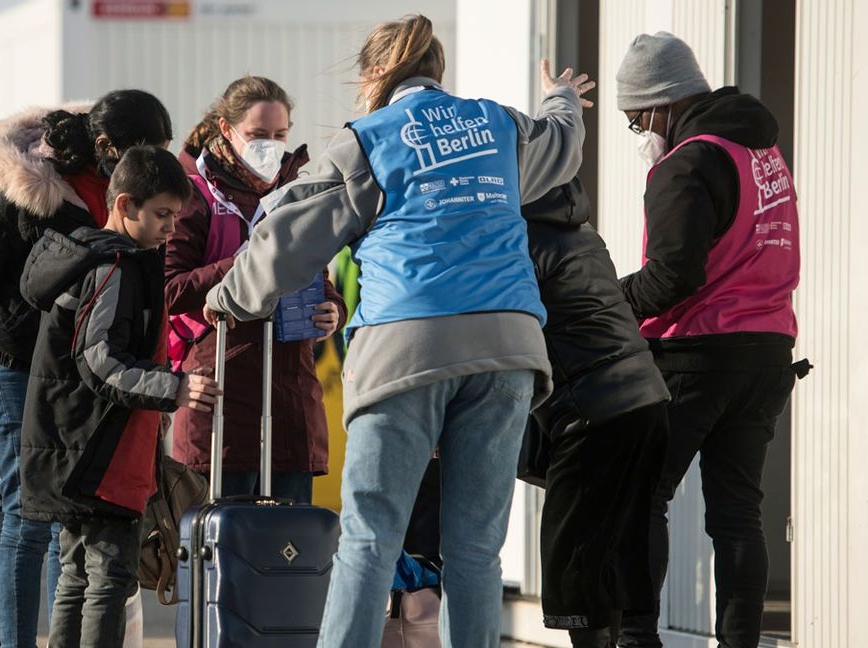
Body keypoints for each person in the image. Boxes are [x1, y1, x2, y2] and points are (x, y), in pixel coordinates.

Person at [201, 14, 593, 646]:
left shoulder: (370, 139)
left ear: (375, 75)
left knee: (369, 539)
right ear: (437, 72)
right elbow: (560, 142)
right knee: (474, 549)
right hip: (509, 348)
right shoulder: (496, 124)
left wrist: (232, 297)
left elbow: (292, 232)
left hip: (407, 344)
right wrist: (563, 98)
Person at [0, 90, 176, 648]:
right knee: (27, 517)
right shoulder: (29, 190)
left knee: (68, 520)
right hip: (17, 368)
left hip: (84, 385)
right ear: (104, 145)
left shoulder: (131, 199)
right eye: (144, 150)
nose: (151, 164)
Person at [613, 33, 806, 648]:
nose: (638, 130)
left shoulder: (687, 163)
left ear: (663, 104)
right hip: (768, 354)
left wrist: (604, 305)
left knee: (639, 498)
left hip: (697, 354)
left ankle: (638, 638)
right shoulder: (762, 150)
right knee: (737, 514)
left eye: (636, 117)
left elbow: (674, 276)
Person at [18, 146, 220, 648]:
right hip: (100, 453)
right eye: (163, 215)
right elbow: (100, 361)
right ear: (125, 204)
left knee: (75, 575)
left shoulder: (92, 256)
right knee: (108, 576)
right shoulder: (116, 266)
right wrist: (174, 387)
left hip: (71, 445)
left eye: (177, 216)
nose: (171, 228)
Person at [165, 76, 345, 504]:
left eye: (280, 135)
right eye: (257, 135)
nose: (271, 145)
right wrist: (248, 265)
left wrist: (332, 310)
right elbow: (169, 289)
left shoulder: (298, 193)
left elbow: (318, 277)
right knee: (223, 545)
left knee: (289, 548)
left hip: (290, 396)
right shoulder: (196, 193)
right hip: (221, 391)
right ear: (226, 130)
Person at [522, 178, 669, 648]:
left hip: (593, 409)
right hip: (645, 397)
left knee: (575, 555)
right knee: (616, 548)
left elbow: (510, 330)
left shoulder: (518, 241)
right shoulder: (582, 231)